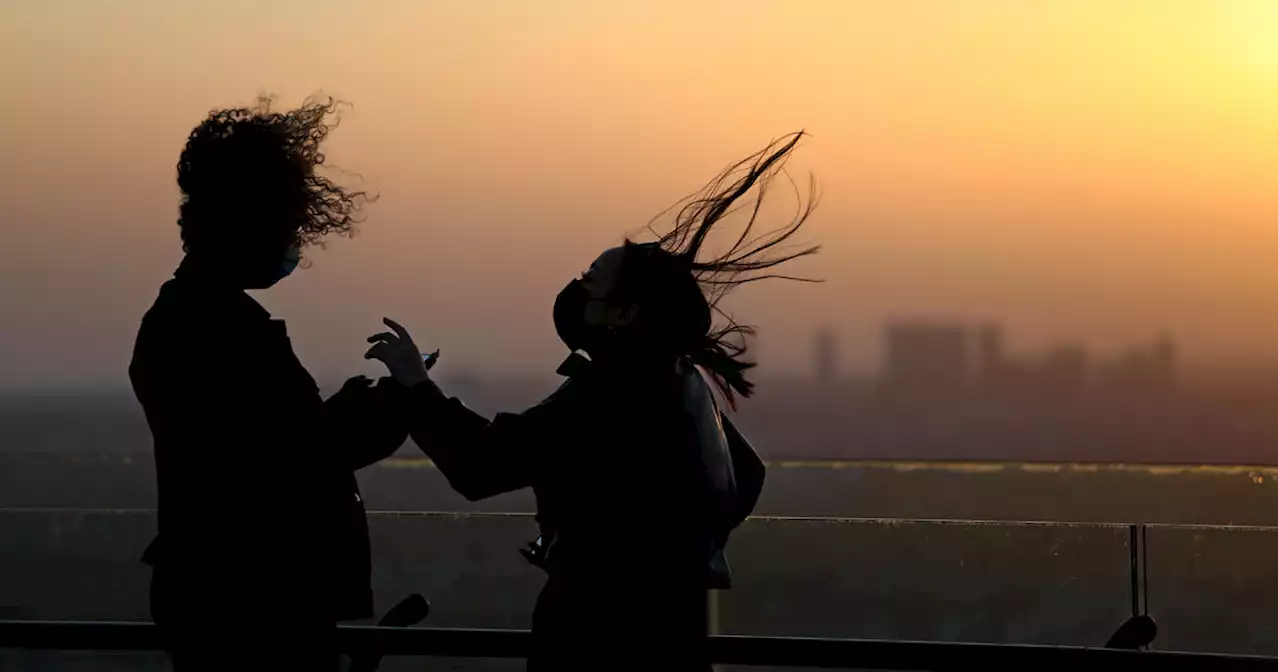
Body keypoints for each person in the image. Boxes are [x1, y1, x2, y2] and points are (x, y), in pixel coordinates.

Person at [365, 132, 819, 671]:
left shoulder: (606, 396)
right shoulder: (679, 380)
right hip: (672, 633)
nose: (575, 289)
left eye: (591, 281)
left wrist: (417, 386)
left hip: (595, 635)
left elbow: (480, 465)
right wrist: (681, 552)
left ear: (623, 315)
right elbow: (747, 473)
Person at [129, 97, 407, 671]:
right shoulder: (210, 324)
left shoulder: (200, 315)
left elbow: (268, 441)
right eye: (283, 223)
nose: (292, 240)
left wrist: (347, 413)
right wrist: (392, 407)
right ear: (241, 223)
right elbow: (279, 459)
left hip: (232, 593)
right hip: (247, 600)